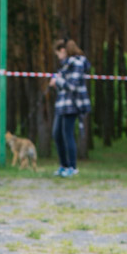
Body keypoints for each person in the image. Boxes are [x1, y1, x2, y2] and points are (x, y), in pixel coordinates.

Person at [49, 38, 91, 177]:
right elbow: (64, 85)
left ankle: (72, 167)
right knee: (57, 134)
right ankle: (64, 166)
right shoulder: (65, 65)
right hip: (62, 104)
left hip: (72, 105)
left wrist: (57, 81)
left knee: (67, 135)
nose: (58, 57)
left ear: (63, 51)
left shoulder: (77, 63)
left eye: (58, 54)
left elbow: (72, 86)